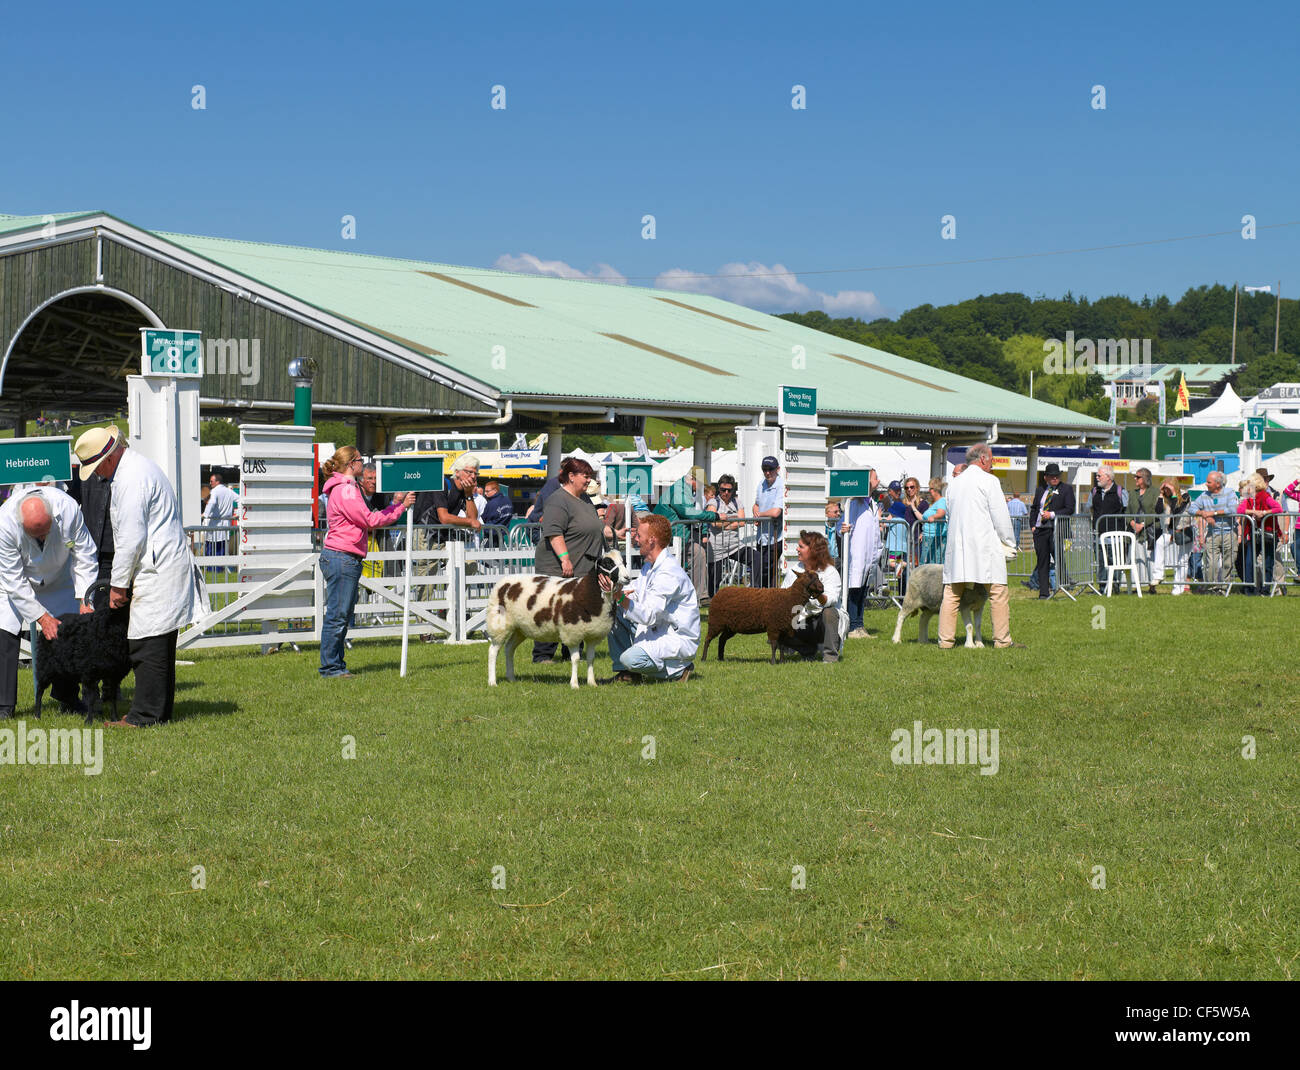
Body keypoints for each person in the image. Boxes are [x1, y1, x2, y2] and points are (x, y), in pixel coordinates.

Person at [72, 426, 208, 725]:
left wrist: (118, 587)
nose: (97, 475)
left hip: (157, 570)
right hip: (159, 566)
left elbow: (130, 540)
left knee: (147, 644)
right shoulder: (135, 469)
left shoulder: (131, 479)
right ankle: (156, 713)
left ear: (107, 459)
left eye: (96, 468)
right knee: (156, 643)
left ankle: (143, 717)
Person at [0, 488, 99, 719]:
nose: (42, 539)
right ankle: (3, 706)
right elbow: (14, 580)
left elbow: (85, 555)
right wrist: (42, 617)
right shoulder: (4, 523)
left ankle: (67, 697)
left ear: (52, 516)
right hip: (12, 583)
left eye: (45, 532)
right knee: (4, 636)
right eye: (36, 535)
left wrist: (85, 598)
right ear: (20, 523)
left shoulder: (68, 509)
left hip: (59, 578)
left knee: (67, 634)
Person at [317, 445, 413, 678]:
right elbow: (370, 520)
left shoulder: (342, 488)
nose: (363, 463)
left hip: (341, 555)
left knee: (340, 614)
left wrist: (395, 504)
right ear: (352, 464)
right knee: (338, 616)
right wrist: (399, 508)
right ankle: (331, 667)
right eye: (361, 459)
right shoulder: (347, 490)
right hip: (343, 556)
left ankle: (335, 665)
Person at [939, 443, 1021, 649]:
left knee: (951, 593)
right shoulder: (990, 481)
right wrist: (1010, 543)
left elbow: (949, 516)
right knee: (998, 592)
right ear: (983, 459)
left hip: (958, 547)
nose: (991, 463)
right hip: (985, 546)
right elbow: (1001, 517)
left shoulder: (953, 485)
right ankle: (1002, 640)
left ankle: (945, 641)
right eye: (991, 460)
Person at [601, 512, 699, 683]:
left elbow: (649, 615)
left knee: (630, 659)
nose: (635, 539)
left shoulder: (669, 573)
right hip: (657, 629)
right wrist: (614, 589)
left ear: (652, 540)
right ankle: (626, 674)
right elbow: (634, 591)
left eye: (639, 535)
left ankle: (679, 670)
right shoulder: (649, 566)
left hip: (676, 637)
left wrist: (619, 597)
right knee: (613, 612)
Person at [533, 457, 605, 664]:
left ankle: (572, 652)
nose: (589, 480)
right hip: (558, 566)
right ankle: (543, 655)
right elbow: (554, 532)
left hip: (583, 565)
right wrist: (565, 560)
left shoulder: (585, 499)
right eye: (586, 475)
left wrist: (614, 532)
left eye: (590, 476)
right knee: (552, 608)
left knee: (576, 610)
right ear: (571, 476)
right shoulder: (558, 499)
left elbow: (595, 526)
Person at [780, 531, 844, 662]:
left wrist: (816, 592)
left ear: (813, 551)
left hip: (822, 621)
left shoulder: (830, 572)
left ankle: (830, 657)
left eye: (801, 547)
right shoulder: (794, 570)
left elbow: (831, 601)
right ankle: (807, 650)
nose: (797, 549)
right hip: (802, 619)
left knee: (829, 612)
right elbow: (783, 597)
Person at [1029, 462, 1074, 599]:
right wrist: (1033, 525)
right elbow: (1034, 508)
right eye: (1052, 476)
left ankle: (1064, 585)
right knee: (1042, 562)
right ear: (1046, 477)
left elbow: (1069, 508)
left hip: (1056, 529)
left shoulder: (1066, 489)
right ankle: (1043, 593)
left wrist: (1052, 514)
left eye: (1057, 476)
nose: (1055, 478)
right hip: (1040, 530)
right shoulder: (1040, 489)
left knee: (1058, 558)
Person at [840, 490, 882, 639]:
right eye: (875, 477)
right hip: (858, 553)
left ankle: (859, 624)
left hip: (869, 554)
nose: (878, 480)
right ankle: (852, 626)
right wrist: (843, 529)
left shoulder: (873, 503)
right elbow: (842, 525)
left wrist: (879, 549)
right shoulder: (854, 503)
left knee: (863, 590)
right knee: (855, 589)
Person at [1190, 471, 1239, 594]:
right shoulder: (1204, 495)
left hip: (1229, 532)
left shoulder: (1229, 493)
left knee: (1228, 563)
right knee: (1211, 563)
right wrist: (1203, 514)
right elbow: (1191, 508)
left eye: (1209, 482)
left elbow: (1233, 509)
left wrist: (1213, 513)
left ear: (1218, 484)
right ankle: (1212, 588)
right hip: (1213, 534)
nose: (1206, 484)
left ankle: (1224, 588)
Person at [1236, 473, 1282, 594]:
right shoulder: (1249, 498)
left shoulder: (1266, 496)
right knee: (1249, 561)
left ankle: (1265, 590)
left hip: (1269, 534)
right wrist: (1253, 511)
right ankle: (1249, 588)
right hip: (1254, 534)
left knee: (1268, 563)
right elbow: (1240, 510)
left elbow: (1278, 509)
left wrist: (1264, 512)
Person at [745, 456, 784, 587]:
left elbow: (776, 512)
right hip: (762, 537)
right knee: (762, 570)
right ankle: (762, 598)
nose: (767, 472)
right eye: (765, 469)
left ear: (777, 469)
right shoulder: (761, 484)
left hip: (775, 537)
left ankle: (766, 599)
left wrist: (760, 515)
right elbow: (755, 504)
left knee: (768, 571)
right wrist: (756, 513)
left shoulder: (781, 485)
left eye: (770, 469)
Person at [704, 474, 744, 595]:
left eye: (729, 490)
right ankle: (712, 600)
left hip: (735, 545)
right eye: (723, 490)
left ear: (733, 490)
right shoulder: (713, 502)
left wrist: (724, 523)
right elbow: (714, 523)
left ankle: (755, 592)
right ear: (719, 489)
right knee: (715, 578)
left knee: (756, 559)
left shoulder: (737, 502)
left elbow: (742, 522)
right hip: (716, 546)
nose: (726, 493)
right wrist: (733, 519)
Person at [1126, 467, 1161, 594]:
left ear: (1145, 478)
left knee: (1149, 558)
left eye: (1138, 477)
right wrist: (1132, 522)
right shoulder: (1132, 493)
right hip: (1135, 532)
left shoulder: (1155, 492)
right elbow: (1128, 511)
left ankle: (1152, 585)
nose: (1135, 479)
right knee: (1137, 558)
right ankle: (1137, 585)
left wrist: (1143, 524)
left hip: (1150, 531)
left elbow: (1156, 512)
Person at [1154, 478, 1193, 595]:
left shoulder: (1185, 496)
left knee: (1183, 560)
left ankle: (1178, 588)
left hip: (1183, 530)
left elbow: (1177, 510)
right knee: (1160, 543)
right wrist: (1161, 495)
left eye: (1167, 488)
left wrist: (1174, 493)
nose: (1166, 491)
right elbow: (1158, 510)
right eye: (1164, 488)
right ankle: (1158, 574)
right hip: (1170, 531)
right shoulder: (1165, 499)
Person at [78, 466, 115, 584]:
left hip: (118, 553)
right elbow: (70, 503)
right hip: (95, 554)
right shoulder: (85, 475)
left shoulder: (126, 476)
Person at [202, 472, 237, 559]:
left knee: (211, 550)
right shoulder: (229, 491)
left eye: (211, 481)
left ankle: (211, 569)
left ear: (217, 482)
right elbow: (240, 499)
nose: (210, 483)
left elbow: (212, 502)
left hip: (214, 524)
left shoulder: (214, 491)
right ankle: (220, 568)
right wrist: (238, 514)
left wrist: (205, 514)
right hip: (225, 525)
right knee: (222, 550)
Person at [920, 479, 948, 564]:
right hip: (929, 537)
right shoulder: (935, 503)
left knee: (932, 565)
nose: (929, 491)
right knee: (926, 564)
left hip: (935, 538)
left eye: (930, 488)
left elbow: (941, 512)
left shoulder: (942, 501)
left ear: (935, 490)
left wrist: (933, 517)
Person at [824, 500, 843, 564]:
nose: (839, 514)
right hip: (825, 559)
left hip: (838, 559)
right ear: (827, 514)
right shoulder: (822, 527)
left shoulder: (840, 526)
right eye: (835, 512)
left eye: (839, 511)